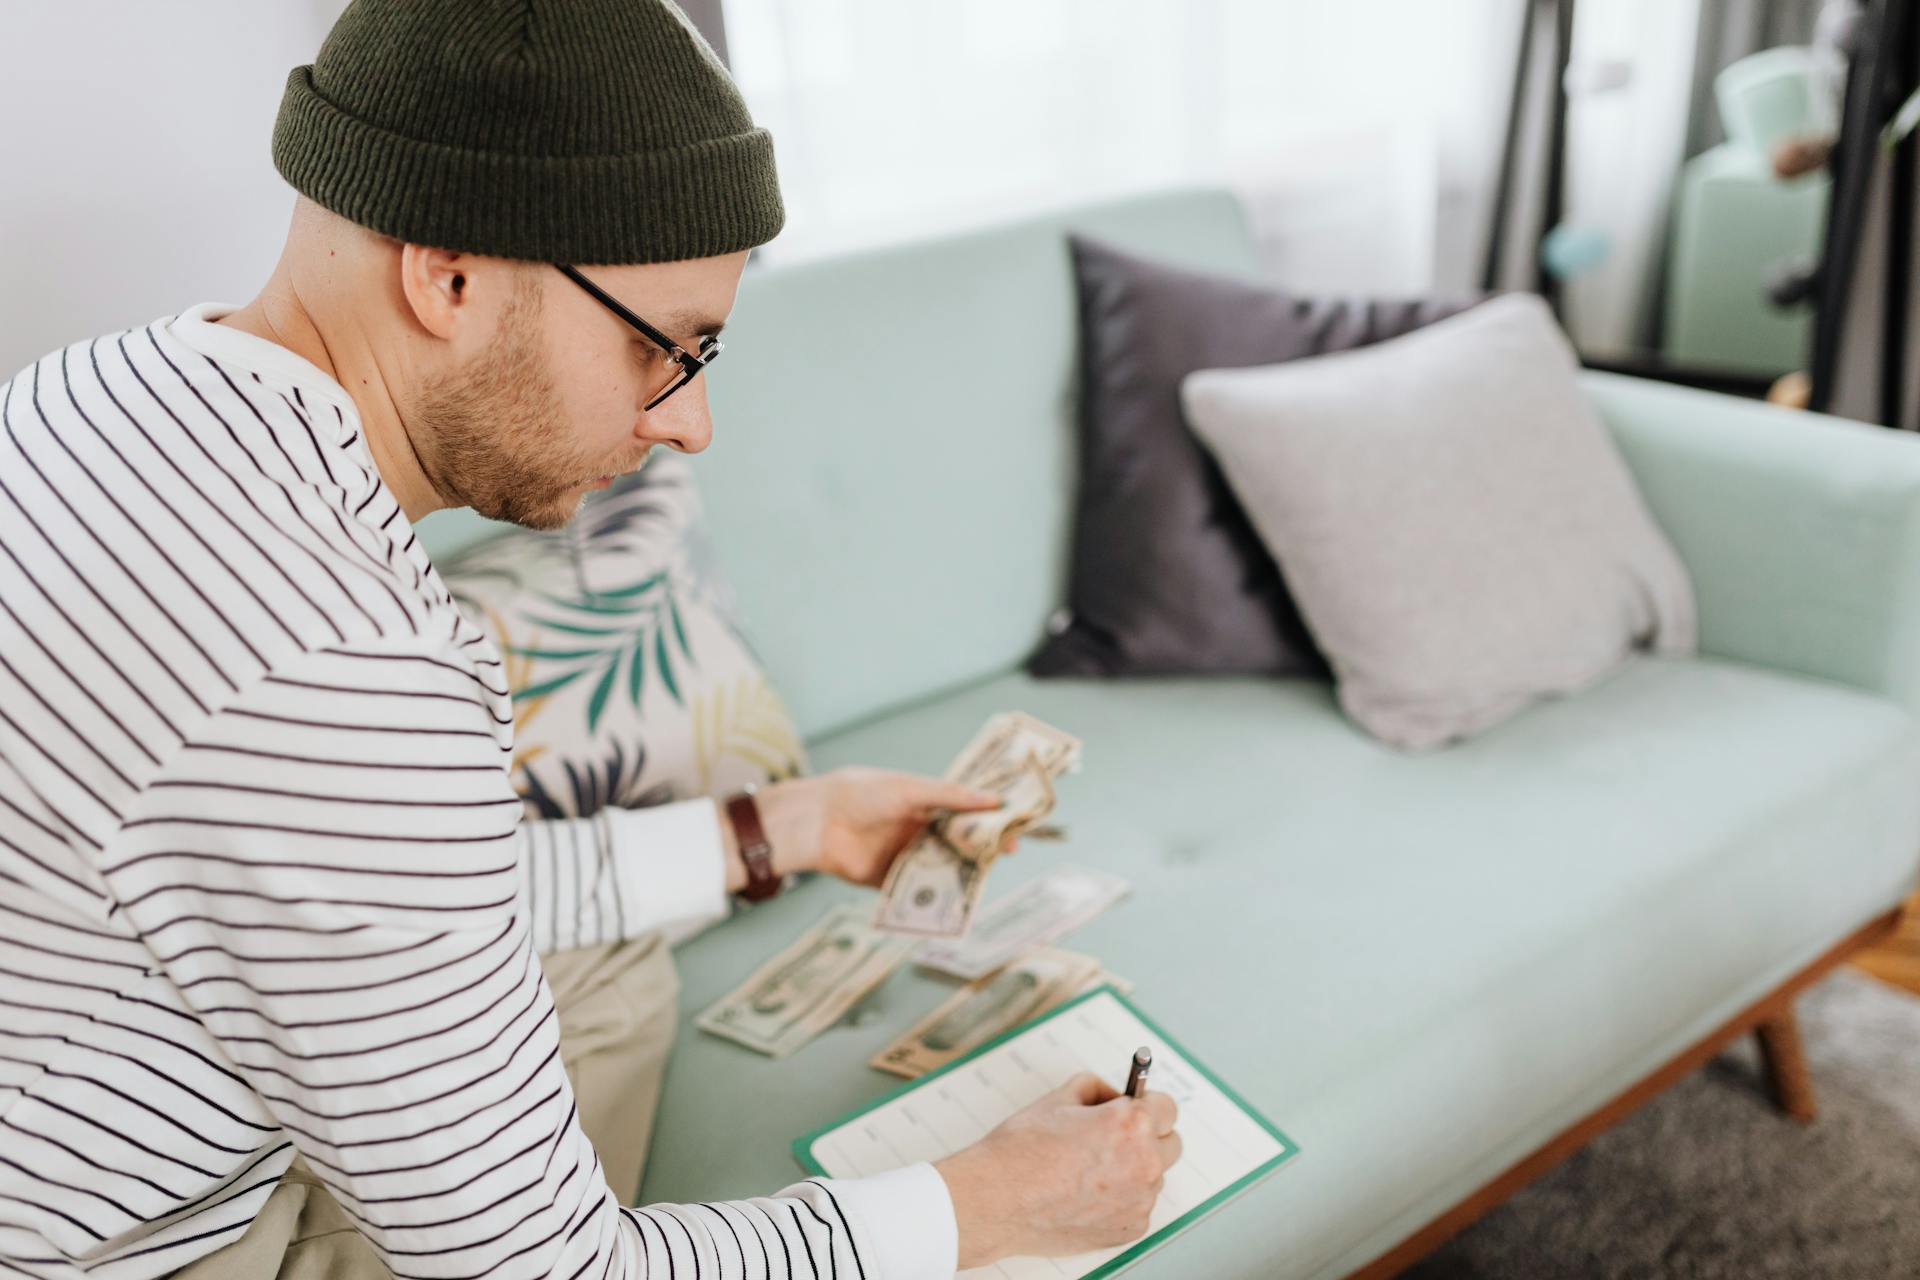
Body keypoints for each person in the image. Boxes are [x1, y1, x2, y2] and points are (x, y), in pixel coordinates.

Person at [0, 1, 1180, 1277]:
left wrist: (777, 827)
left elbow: (363, 886)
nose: (691, 424)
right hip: (146, 1248)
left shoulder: (87, 391)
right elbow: (549, 1270)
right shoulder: (350, 667)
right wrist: (985, 1204)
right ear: (446, 271)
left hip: (97, 1110)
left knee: (615, 965)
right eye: (662, 347)